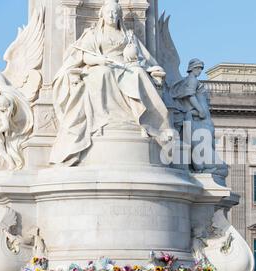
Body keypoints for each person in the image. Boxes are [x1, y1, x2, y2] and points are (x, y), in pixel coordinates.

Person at [50, 0, 171, 166]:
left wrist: (142, 62)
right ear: (102, 15)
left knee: (139, 74)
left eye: (115, 13)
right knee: (102, 74)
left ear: (120, 15)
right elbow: (84, 56)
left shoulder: (127, 35)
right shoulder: (93, 34)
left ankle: (148, 122)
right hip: (101, 66)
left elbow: (143, 57)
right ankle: (103, 121)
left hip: (125, 67)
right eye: (109, 13)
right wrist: (99, 60)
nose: (112, 16)